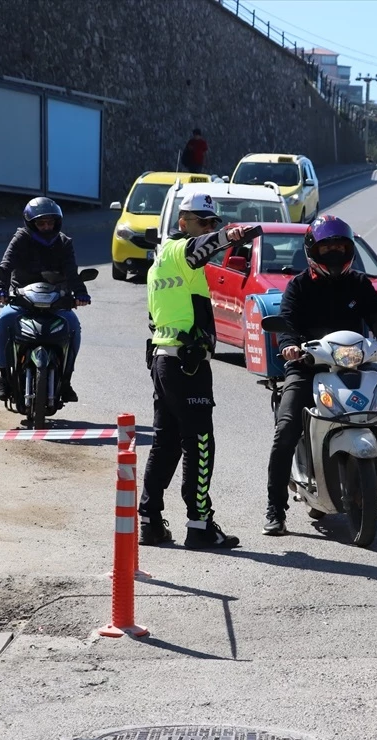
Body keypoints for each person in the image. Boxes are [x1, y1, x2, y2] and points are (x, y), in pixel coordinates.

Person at [263, 215, 377, 536]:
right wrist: (289, 347)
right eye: (326, 248)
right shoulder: (299, 286)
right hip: (307, 366)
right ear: (312, 251)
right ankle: (275, 509)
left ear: (349, 251)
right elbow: (287, 322)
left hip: (353, 363)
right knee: (286, 427)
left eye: (339, 247)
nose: (333, 253)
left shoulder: (358, 283)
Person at [138, 192, 256, 550]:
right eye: (200, 222)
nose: (205, 228)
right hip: (185, 363)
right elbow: (198, 248)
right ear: (182, 222)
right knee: (199, 442)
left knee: (166, 441)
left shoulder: (160, 263)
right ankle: (200, 525)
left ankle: (150, 521)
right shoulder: (179, 251)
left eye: (211, 223)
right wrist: (228, 236)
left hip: (164, 359)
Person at [0, 197, 88, 402]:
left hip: (56, 301)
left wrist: (80, 293)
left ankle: (67, 380)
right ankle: (4, 378)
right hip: (22, 300)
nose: (46, 227)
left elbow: (72, 273)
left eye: (50, 222)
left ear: (56, 222)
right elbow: (5, 266)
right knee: (3, 321)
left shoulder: (64, 243)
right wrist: (0, 287)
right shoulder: (21, 239)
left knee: (73, 326)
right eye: (41, 223)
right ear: (31, 223)